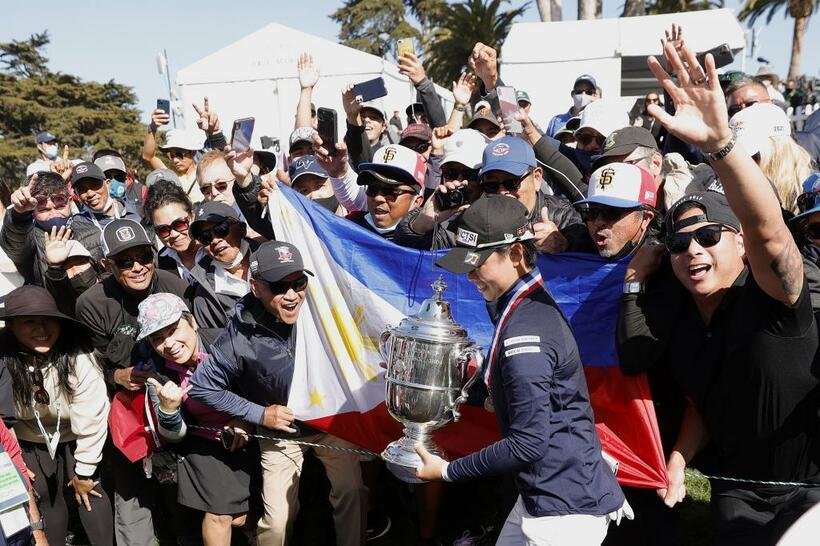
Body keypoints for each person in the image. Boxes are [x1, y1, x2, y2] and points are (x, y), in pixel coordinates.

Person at [619, 38, 820, 545]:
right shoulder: (685, 318)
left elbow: (772, 235)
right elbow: (703, 401)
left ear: (740, 244)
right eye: (681, 241)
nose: (693, 250)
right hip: (738, 489)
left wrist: (720, 144)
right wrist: (680, 459)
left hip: (810, 490)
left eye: (709, 236)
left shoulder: (775, 301)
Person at [416, 194, 629, 545]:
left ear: (516, 255)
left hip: (564, 511)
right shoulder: (522, 307)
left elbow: (528, 442)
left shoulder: (526, 328)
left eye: (477, 265)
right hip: (544, 492)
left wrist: (448, 471)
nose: (470, 277)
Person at [189, 240, 367, 546]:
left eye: (298, 282)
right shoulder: (239, 335)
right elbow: (203, 386)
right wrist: (259, 414)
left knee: (352, 493)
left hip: (331, 425)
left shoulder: (324, 310)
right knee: (276, 522)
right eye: (278, 286)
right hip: (281, 435)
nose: (291, 295)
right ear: (256, 287)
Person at [74, 218, 191, 546]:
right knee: (131, 495)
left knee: (183, 494)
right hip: (125, 410)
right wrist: (117, 376)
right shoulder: (91, 304)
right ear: (107, 265)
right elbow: (89, 364)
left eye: (144, 257)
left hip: (176, 400)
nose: (138, 267)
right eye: (125, 261)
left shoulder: (175, 286)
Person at [138, 293, 257, 545]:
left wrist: (245, 420)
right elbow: (175, 434)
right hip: (203, 445)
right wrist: (169, 411)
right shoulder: (157, 373)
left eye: (172, 330)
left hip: (254, 436)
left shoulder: (227, 343)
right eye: (157, 338)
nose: (168, 344)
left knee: (249, 516)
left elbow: (264, 389)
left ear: (191, 322)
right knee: (220, 516)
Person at [0, 285, 113, 546]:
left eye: (48, 320)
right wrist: (15, 459)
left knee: (90, 494)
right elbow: (3, 419)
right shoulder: (3, 361)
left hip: (77, 434)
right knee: (45, 497)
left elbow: (93, 414)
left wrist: (84, 471)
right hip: (28, 438)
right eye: (29, 322)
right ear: (12, 326)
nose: (41, 330)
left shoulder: (79, 356)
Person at [395, 136, 584, 253]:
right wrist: (423, 222)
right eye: (492, 185)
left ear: (536, 178)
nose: (502, 192)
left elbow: (598, 249)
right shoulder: (473, 219)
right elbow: (406, 249)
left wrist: (565, 244)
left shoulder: (561, 216)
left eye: (512, 182)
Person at [1, 171, 104, 287]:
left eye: (60, 206)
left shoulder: (93, 232)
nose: (54, 214)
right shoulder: (29, 241)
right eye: (44, 210)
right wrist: (19, 215)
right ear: (33, 211)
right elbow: (14, 243)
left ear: (70, 201)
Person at [728, 102, 813, 213]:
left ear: (779, 151)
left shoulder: (814, 194)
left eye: (753, 157)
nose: (741, 166)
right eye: (734, 160)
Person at [189, 201, 258, 329]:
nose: (215, 240)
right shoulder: (204, 299)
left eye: (221, 229)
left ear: (242, 229)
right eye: (205, 237)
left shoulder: (270, 257)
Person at [573, 162, 659, 258]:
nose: (598, 222)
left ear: (645, 219)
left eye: (612, 212)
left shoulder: (667, 266)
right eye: (592, 212)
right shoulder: (571, 245)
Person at [142, 179, 206, 284]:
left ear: (192, 217)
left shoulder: (213, 246)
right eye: (163, 230)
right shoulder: (163, 260)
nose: (173, 234)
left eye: (179, 224)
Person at [70, 161, 142, 227]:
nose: (90, 194)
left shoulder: (135, 213)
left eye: (95, 185)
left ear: (108, 184)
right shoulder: (77, 224)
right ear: (76, 194)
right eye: (82, 189)